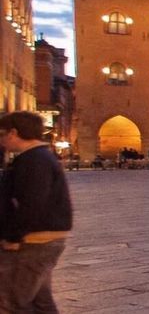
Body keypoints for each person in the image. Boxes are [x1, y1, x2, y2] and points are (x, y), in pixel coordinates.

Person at [0, 111, 74, 314]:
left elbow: (32, 203)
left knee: (11, 302)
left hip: (34, 241)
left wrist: (13, 236)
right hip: (40, 239)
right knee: (40, 303)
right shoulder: (37, 157)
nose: (1, 140)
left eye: (1, 134)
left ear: (13, 133)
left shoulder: (34, 160)